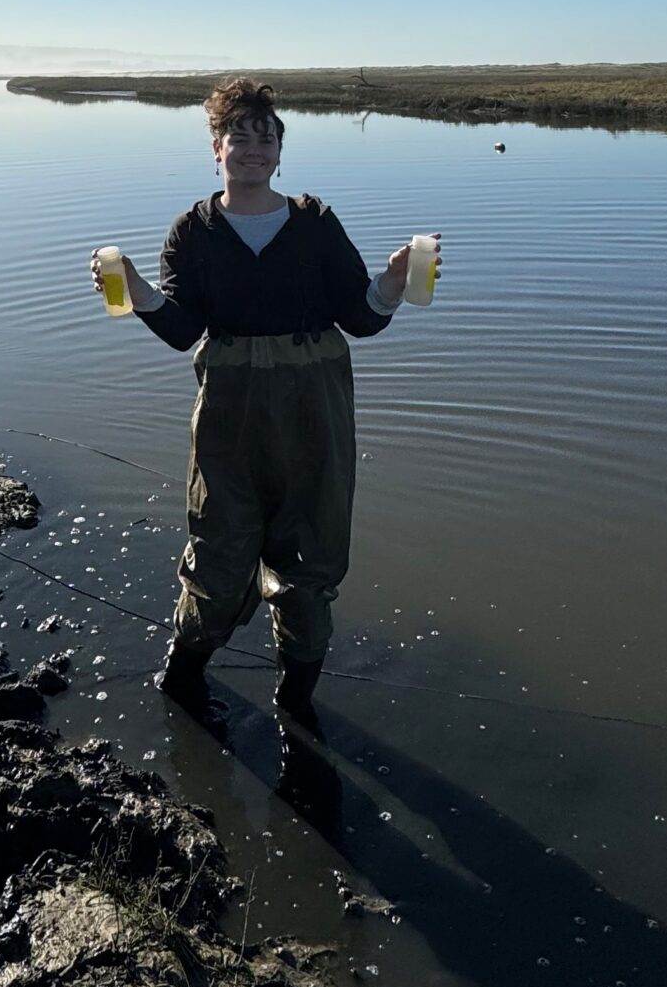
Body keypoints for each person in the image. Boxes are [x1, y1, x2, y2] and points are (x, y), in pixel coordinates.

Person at [91, 76, 437, 725]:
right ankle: (182, 676)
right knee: (218, 551)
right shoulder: (192, 232)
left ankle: (296, 701)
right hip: (229, 413)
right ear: (215, 151)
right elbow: (181, 330)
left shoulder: (315, 222)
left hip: (317, 411)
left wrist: (392, 284)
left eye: (264, 136)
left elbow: (358, 318)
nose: (252, 148)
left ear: (280, 150)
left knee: (313, 559)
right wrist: (133, 290)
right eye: (237, 137)